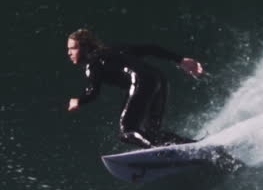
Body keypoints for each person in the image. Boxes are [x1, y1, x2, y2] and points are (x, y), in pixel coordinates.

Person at [65, 28, 205, 149]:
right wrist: (180, 60)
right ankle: (192, 146)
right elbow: (151, 48)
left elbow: (93, 92)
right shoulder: (114, 49)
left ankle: (162, 150)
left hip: (141, 81)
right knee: (151, 131)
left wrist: (78, 100)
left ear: (85, 47)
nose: (69, 53)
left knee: (127, 131)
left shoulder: (92, 63)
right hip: (158, 79)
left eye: (73, 48)